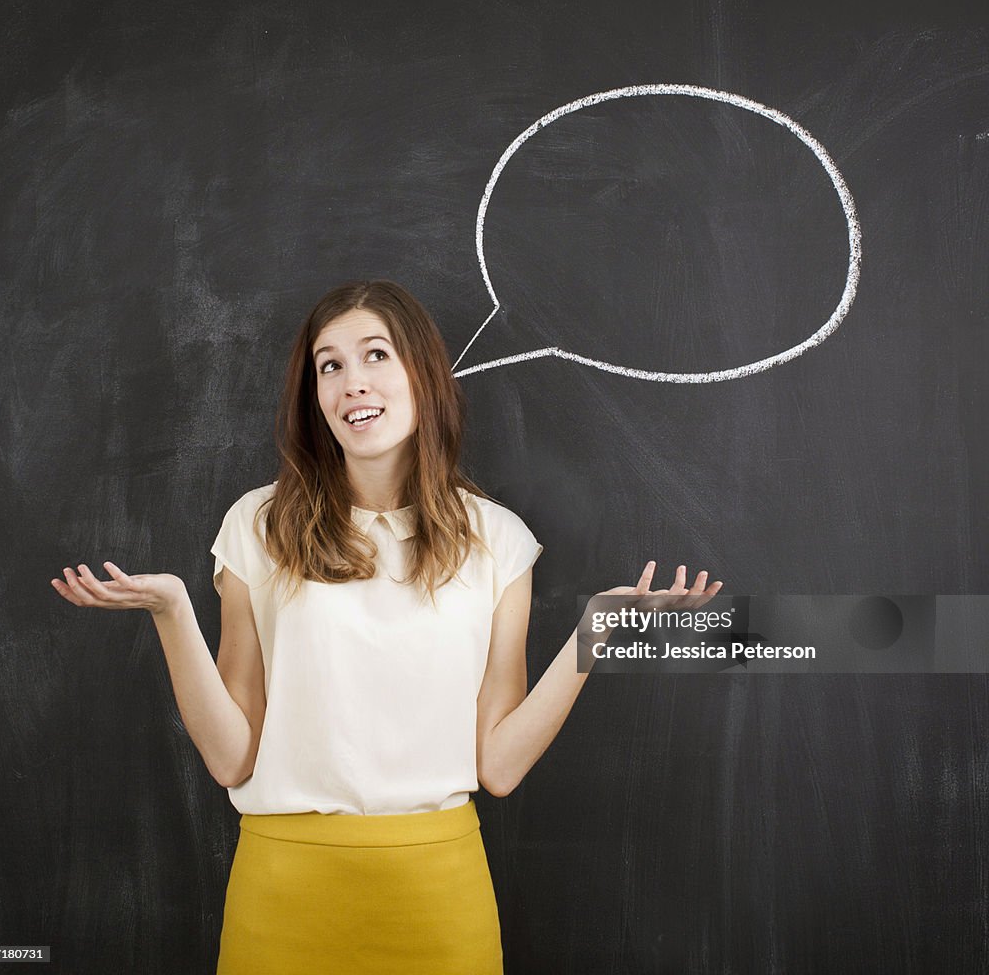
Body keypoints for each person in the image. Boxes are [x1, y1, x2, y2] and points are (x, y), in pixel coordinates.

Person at [50, 279, 722, 974]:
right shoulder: (258, 524)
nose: (351, 384)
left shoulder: (498, 541)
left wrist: (596, 629)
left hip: (438, 893)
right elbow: (231, 758)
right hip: (284, 891)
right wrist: (172, 613)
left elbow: (500, 765)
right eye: (329, 365)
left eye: (376, 355)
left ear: (421, 376)